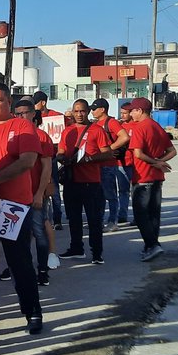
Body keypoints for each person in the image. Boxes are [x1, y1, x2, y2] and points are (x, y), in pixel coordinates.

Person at [0, 87, 45, 335]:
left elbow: (27, 161)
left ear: (9, 102)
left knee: (20, 262)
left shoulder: (23, 127)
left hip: (12, 207)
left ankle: (32, 311)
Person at [126, 98, 177, 262]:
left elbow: (138, 154)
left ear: (140, 111)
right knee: (154, 215)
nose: (131, 113)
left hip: (143, 177)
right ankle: (151, 246)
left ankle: (153, 245)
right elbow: (172, 151)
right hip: (157, 178)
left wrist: (155, 162)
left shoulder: (140, 127)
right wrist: (160, 161)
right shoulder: (156, 126)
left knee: (141, 215)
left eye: (133, 110)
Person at [58, 99, 106, 265]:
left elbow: (107, 153)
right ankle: (76, 248)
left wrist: (89, 159)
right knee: (73, 218)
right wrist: (61, 157)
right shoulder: (67, 131)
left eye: (82, 111)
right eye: (76, 111)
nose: (79, 114)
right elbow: (61, 150)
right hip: (72, 181)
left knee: (93, 219)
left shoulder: (97, 130)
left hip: (91, 182)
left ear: (88, 112)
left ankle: (97, 253)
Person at [14, 100, 54, 287]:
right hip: (15, 195)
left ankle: (43, 269)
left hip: (35, 194)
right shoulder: (12, 135)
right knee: (17, 235)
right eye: (17, 113)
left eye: (24, 113)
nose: (20, 116)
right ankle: (21, 268)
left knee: (38, 231)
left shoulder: (41, 136)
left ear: (32, 114)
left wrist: (39, 193)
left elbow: (47, 168)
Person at [90, 99, 130, 233]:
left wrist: (109, 149)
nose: (92, 111)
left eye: (94, 108)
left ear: (102, 109)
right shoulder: (96, 124)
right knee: (98, 195)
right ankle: (99, 221)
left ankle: (113, 221)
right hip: (98, 164)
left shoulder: (111, 122)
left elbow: (124, 137)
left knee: (110, 195)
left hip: (108, 165)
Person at [32, 91, 64, 230]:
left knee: (53, 188)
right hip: (37, 158)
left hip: (52, 156)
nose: (34, 106)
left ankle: (57, 219)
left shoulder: (56, 116)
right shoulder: (33, 117)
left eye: (36, 102)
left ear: (43, 102)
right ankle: (46, 219)